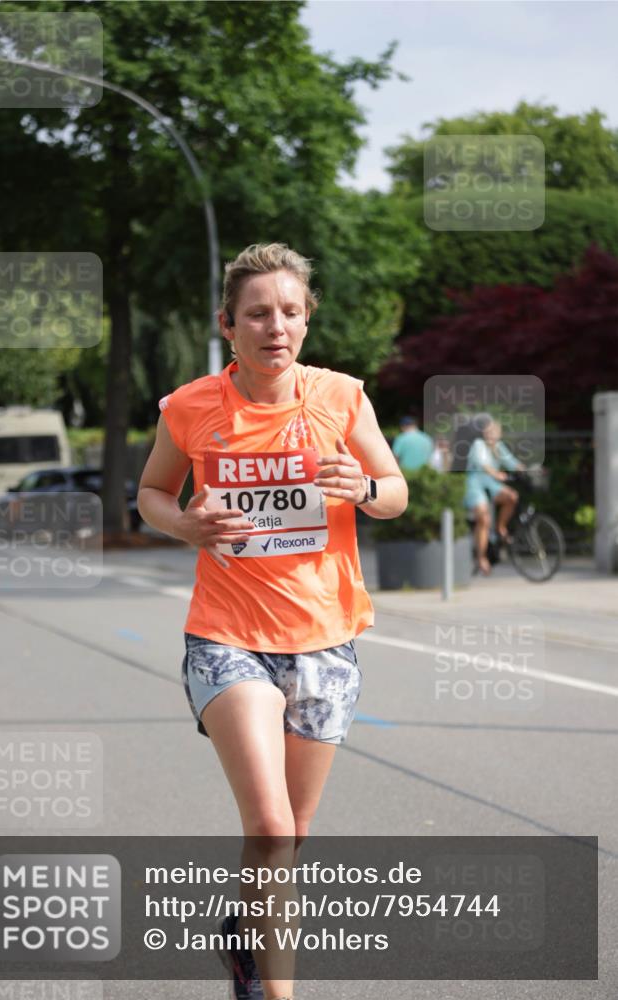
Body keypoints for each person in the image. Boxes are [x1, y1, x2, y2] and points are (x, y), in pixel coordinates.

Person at [137, 243, 407, 1000]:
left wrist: (362, 486)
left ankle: (245, 937)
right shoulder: (190, 407)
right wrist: (184, 524)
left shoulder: (341, 398)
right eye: (257, 313)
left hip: (325, 637)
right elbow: (153, 492)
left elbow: (395, 490)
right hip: (226, 635)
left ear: (306, 320)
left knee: (291, 836)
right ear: (228, 324)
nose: (275, 326)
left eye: (289, 311)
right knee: (268, 823)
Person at [463, 418, 524, 575]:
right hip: (475, 485)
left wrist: (529, 470)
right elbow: (483, 464)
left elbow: (511, 462)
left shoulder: (499, 447)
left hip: (491, 485)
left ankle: (501, 527)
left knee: (512, 497)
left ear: (499, 433)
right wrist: (496, 474)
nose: (490, 435)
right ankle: (481, 557)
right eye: (488, 432)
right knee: (484, 519)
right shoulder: (478, 445)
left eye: (494, 432)